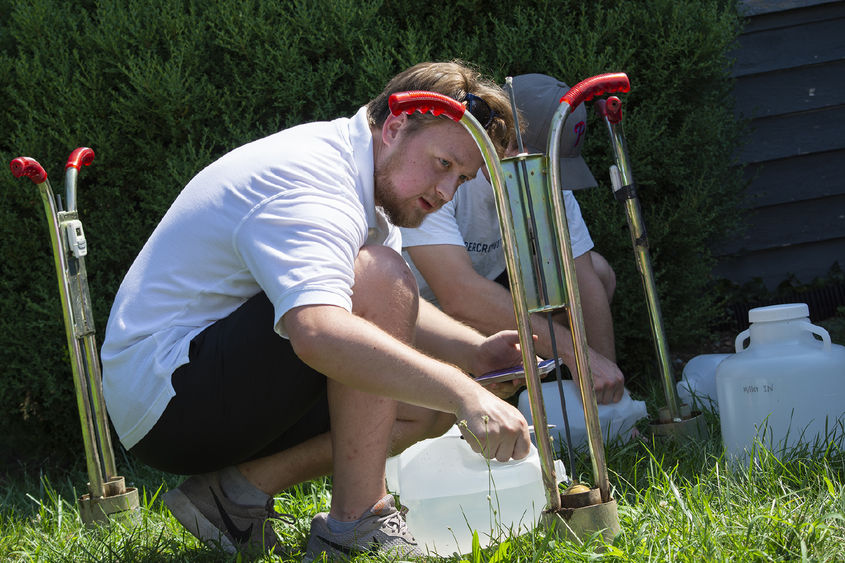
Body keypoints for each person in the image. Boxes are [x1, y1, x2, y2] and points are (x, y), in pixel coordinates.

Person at [100, 61, 532, 561]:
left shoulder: (365, 176)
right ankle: (357, 524)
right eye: (442, 164)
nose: (445, 193)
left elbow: (376, 306)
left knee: (422, 404)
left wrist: (474, 353)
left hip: (189, 389)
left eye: (461, 179)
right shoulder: (314, 181)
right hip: (166, 394)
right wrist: (463, 394)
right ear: (394, 126)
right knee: (385, 278)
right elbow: (320, 329)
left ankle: (231, 497)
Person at [402, 73, 625, 405]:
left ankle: (545, 404)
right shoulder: (444, 176)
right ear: (507, 144)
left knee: (599, 271)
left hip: (482, 297)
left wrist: (608, 392)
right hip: (416, 311)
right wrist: (574, 351)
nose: (549, 181)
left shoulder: (543, 174)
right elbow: (460, 296)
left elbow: (583, 277)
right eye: (542, 167)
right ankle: (475, 408)